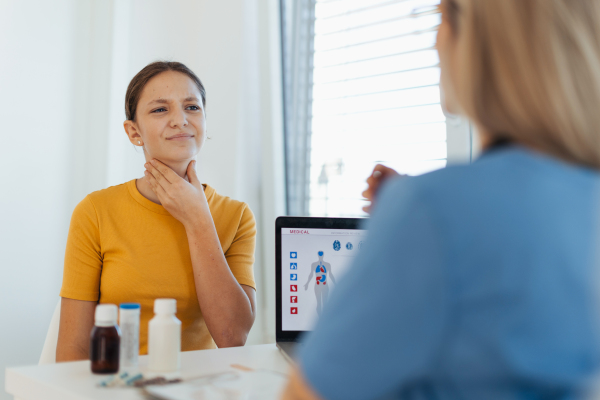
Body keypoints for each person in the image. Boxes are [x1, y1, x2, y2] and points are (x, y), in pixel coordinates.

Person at [282, 0, 600, 398]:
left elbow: (304, 394)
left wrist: (418, 222)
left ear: (473, 42)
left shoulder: (433, 210)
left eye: (439, 19)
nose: (434, 42)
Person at [56, 62, 257, 361]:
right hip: (117, 386)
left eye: (192, 107)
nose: (180, 120)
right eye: (160, 110)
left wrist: (197, 218)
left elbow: (233, 337)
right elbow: (74, 351)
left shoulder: (237, 216)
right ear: (134, 131)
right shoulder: (95, 212)